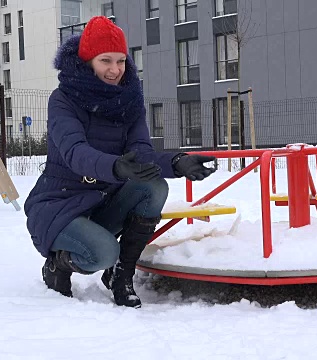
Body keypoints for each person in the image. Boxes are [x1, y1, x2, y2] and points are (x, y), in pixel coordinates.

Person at [24, 16, 216, 308]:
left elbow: (142, 152)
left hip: (103, 200)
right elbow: (75, 152)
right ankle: (58, 265)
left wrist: (178, 162)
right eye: (105, 61)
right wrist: (116, 167)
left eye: (121, 61)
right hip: (60, 205)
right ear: (88, 60)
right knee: (102, 253)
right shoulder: (63, 100)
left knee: (154, 186)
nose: (115, 70)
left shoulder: (129, 101)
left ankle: (120, 276)